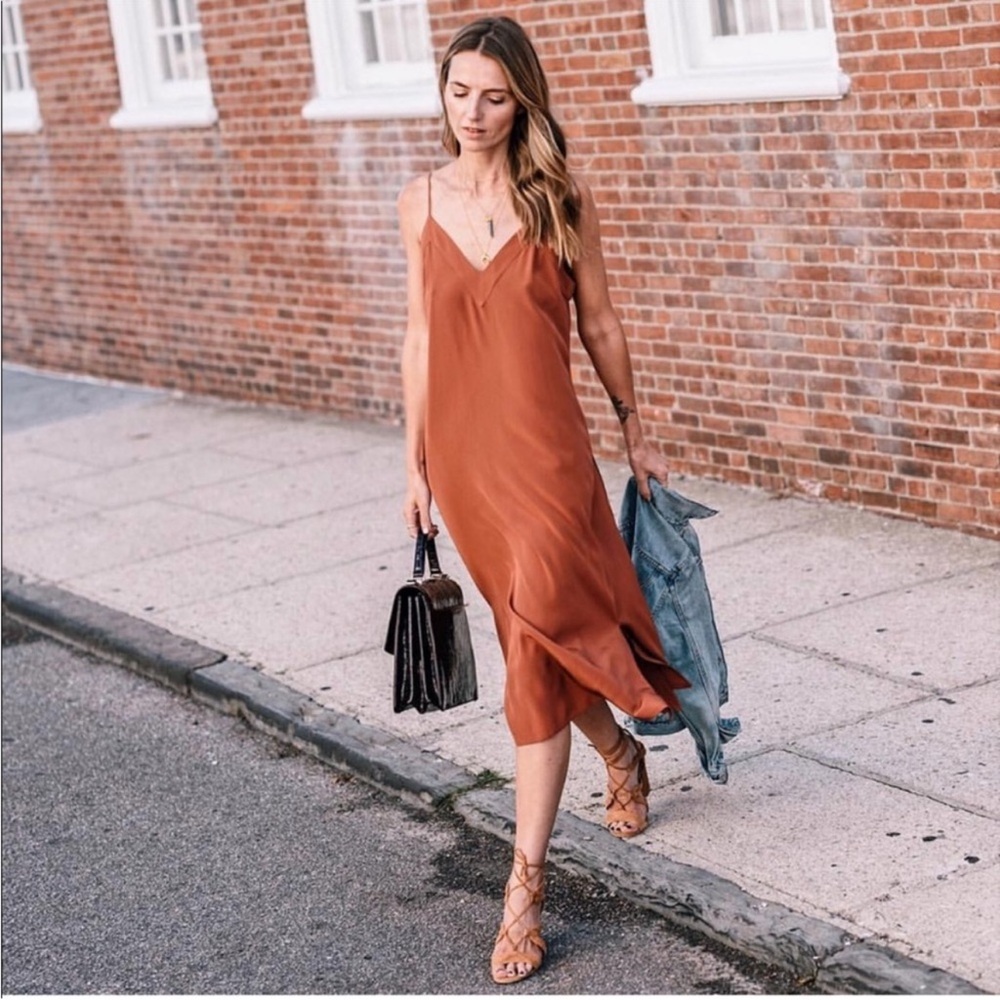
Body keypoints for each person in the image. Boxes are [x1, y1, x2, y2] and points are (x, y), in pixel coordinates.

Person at [397, 15, 688, 985]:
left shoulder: (556, 195)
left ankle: (522, 893)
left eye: (492, 94)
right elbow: (421, 345)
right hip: (468, 464)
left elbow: (598, 319)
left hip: (548, 454)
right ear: (441, 95)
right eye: (457, 92)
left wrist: (635, 426)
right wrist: (414, 467)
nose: (472, 112)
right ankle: (617, 749)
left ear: (521, 99)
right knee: (537, 637)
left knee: (540, 624)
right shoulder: (417, 202)